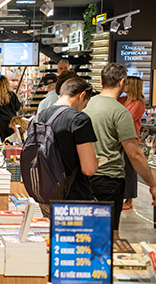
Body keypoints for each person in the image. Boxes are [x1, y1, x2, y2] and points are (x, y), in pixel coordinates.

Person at [84, 63, 156, 239]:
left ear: (102, 81)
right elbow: (134, 154)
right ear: (122, 83)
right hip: (109, 180)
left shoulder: (87, 105)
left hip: (85, 177)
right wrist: (152, 185)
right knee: (111, 234)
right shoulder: (120, 112)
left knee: (87, 232)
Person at [36, 78, 98, 217]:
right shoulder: (79, 119)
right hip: (73, 198)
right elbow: (89, 168)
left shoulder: (39, 117)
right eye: (85, 104)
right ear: (82, 95)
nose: (83, 108)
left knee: (52, 237)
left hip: (45, 195)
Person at [118, 76, 146, 210]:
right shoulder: (121, 99)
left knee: (129, 169)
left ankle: (129, 198)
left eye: (127, 84)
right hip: (118, 138)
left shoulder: (138, 103)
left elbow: (127, 117)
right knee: (121, 168)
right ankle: (122, 195)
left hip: (130, 139)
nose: (124, 86)